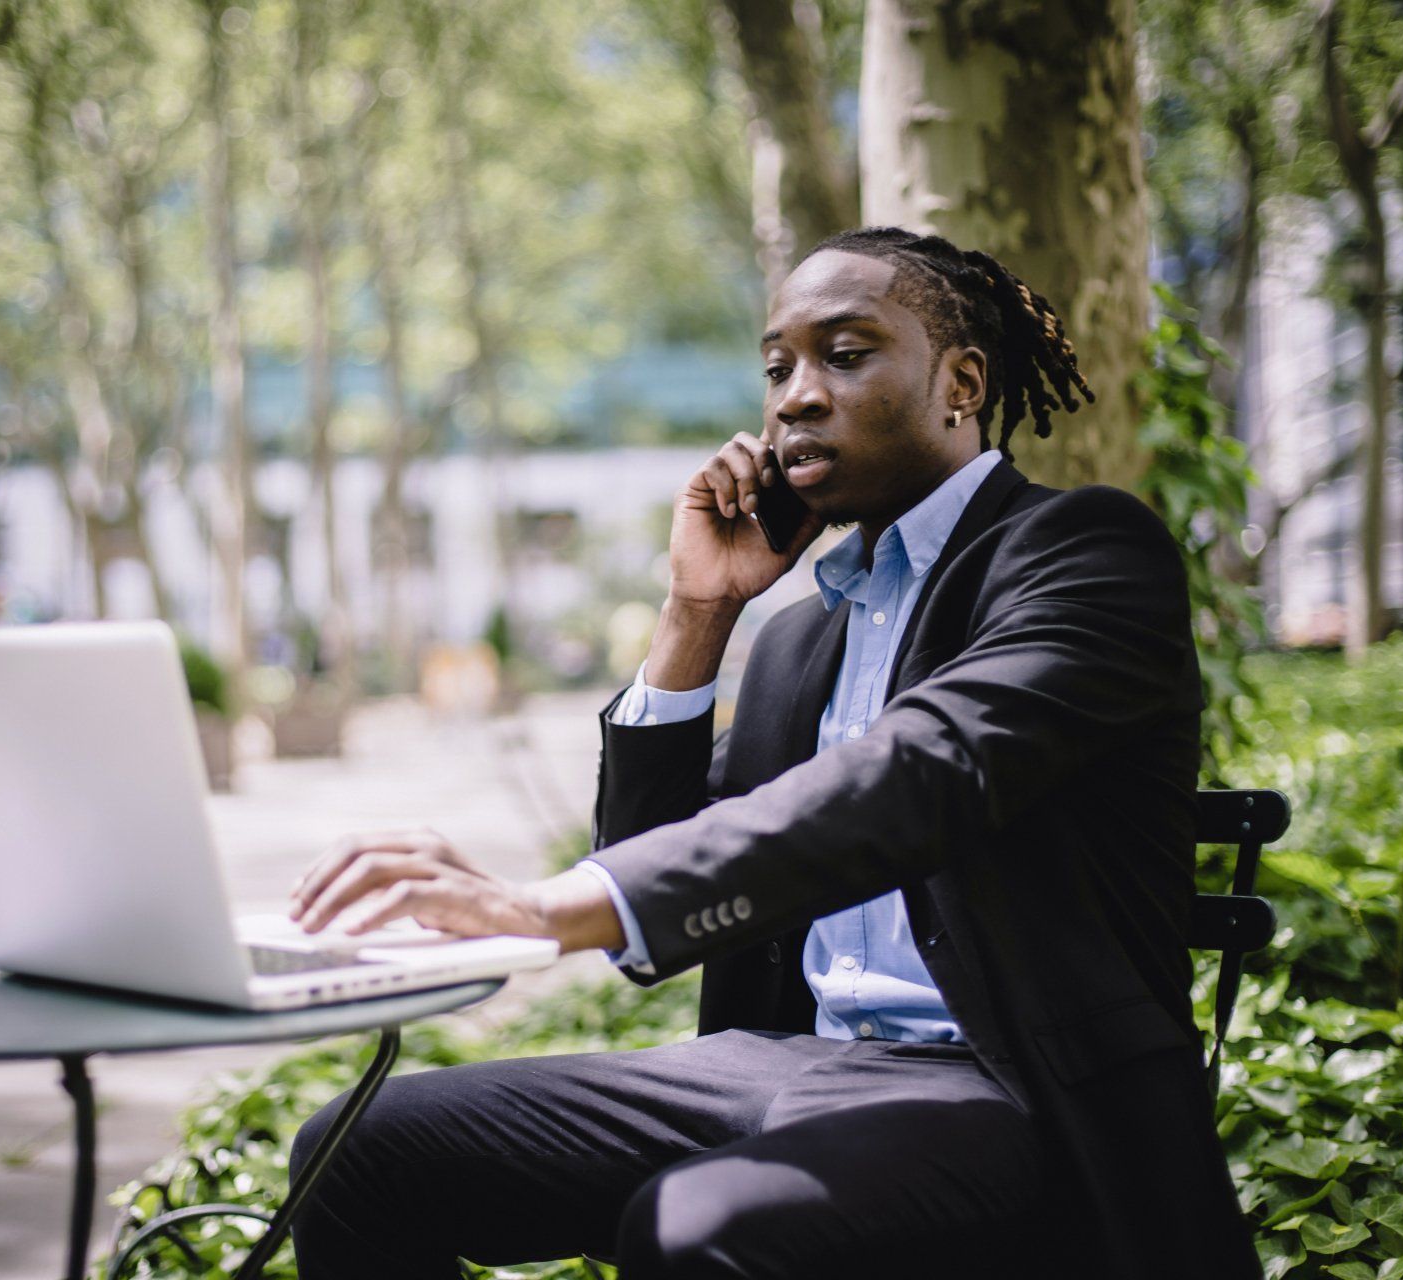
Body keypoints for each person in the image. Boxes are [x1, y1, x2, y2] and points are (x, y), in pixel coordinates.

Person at [283, 226, 1261, 1279]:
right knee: (357, 1150)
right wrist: (696, 611)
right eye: (778, 365)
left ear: (960, 382)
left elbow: (925, 768)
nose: (795, 394)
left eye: (845, 354)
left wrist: (543, 906)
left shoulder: (1082, 552)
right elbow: (669, 855)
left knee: (697, 1223)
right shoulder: (801, 637)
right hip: (778, 1065)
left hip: (1005, 1087)